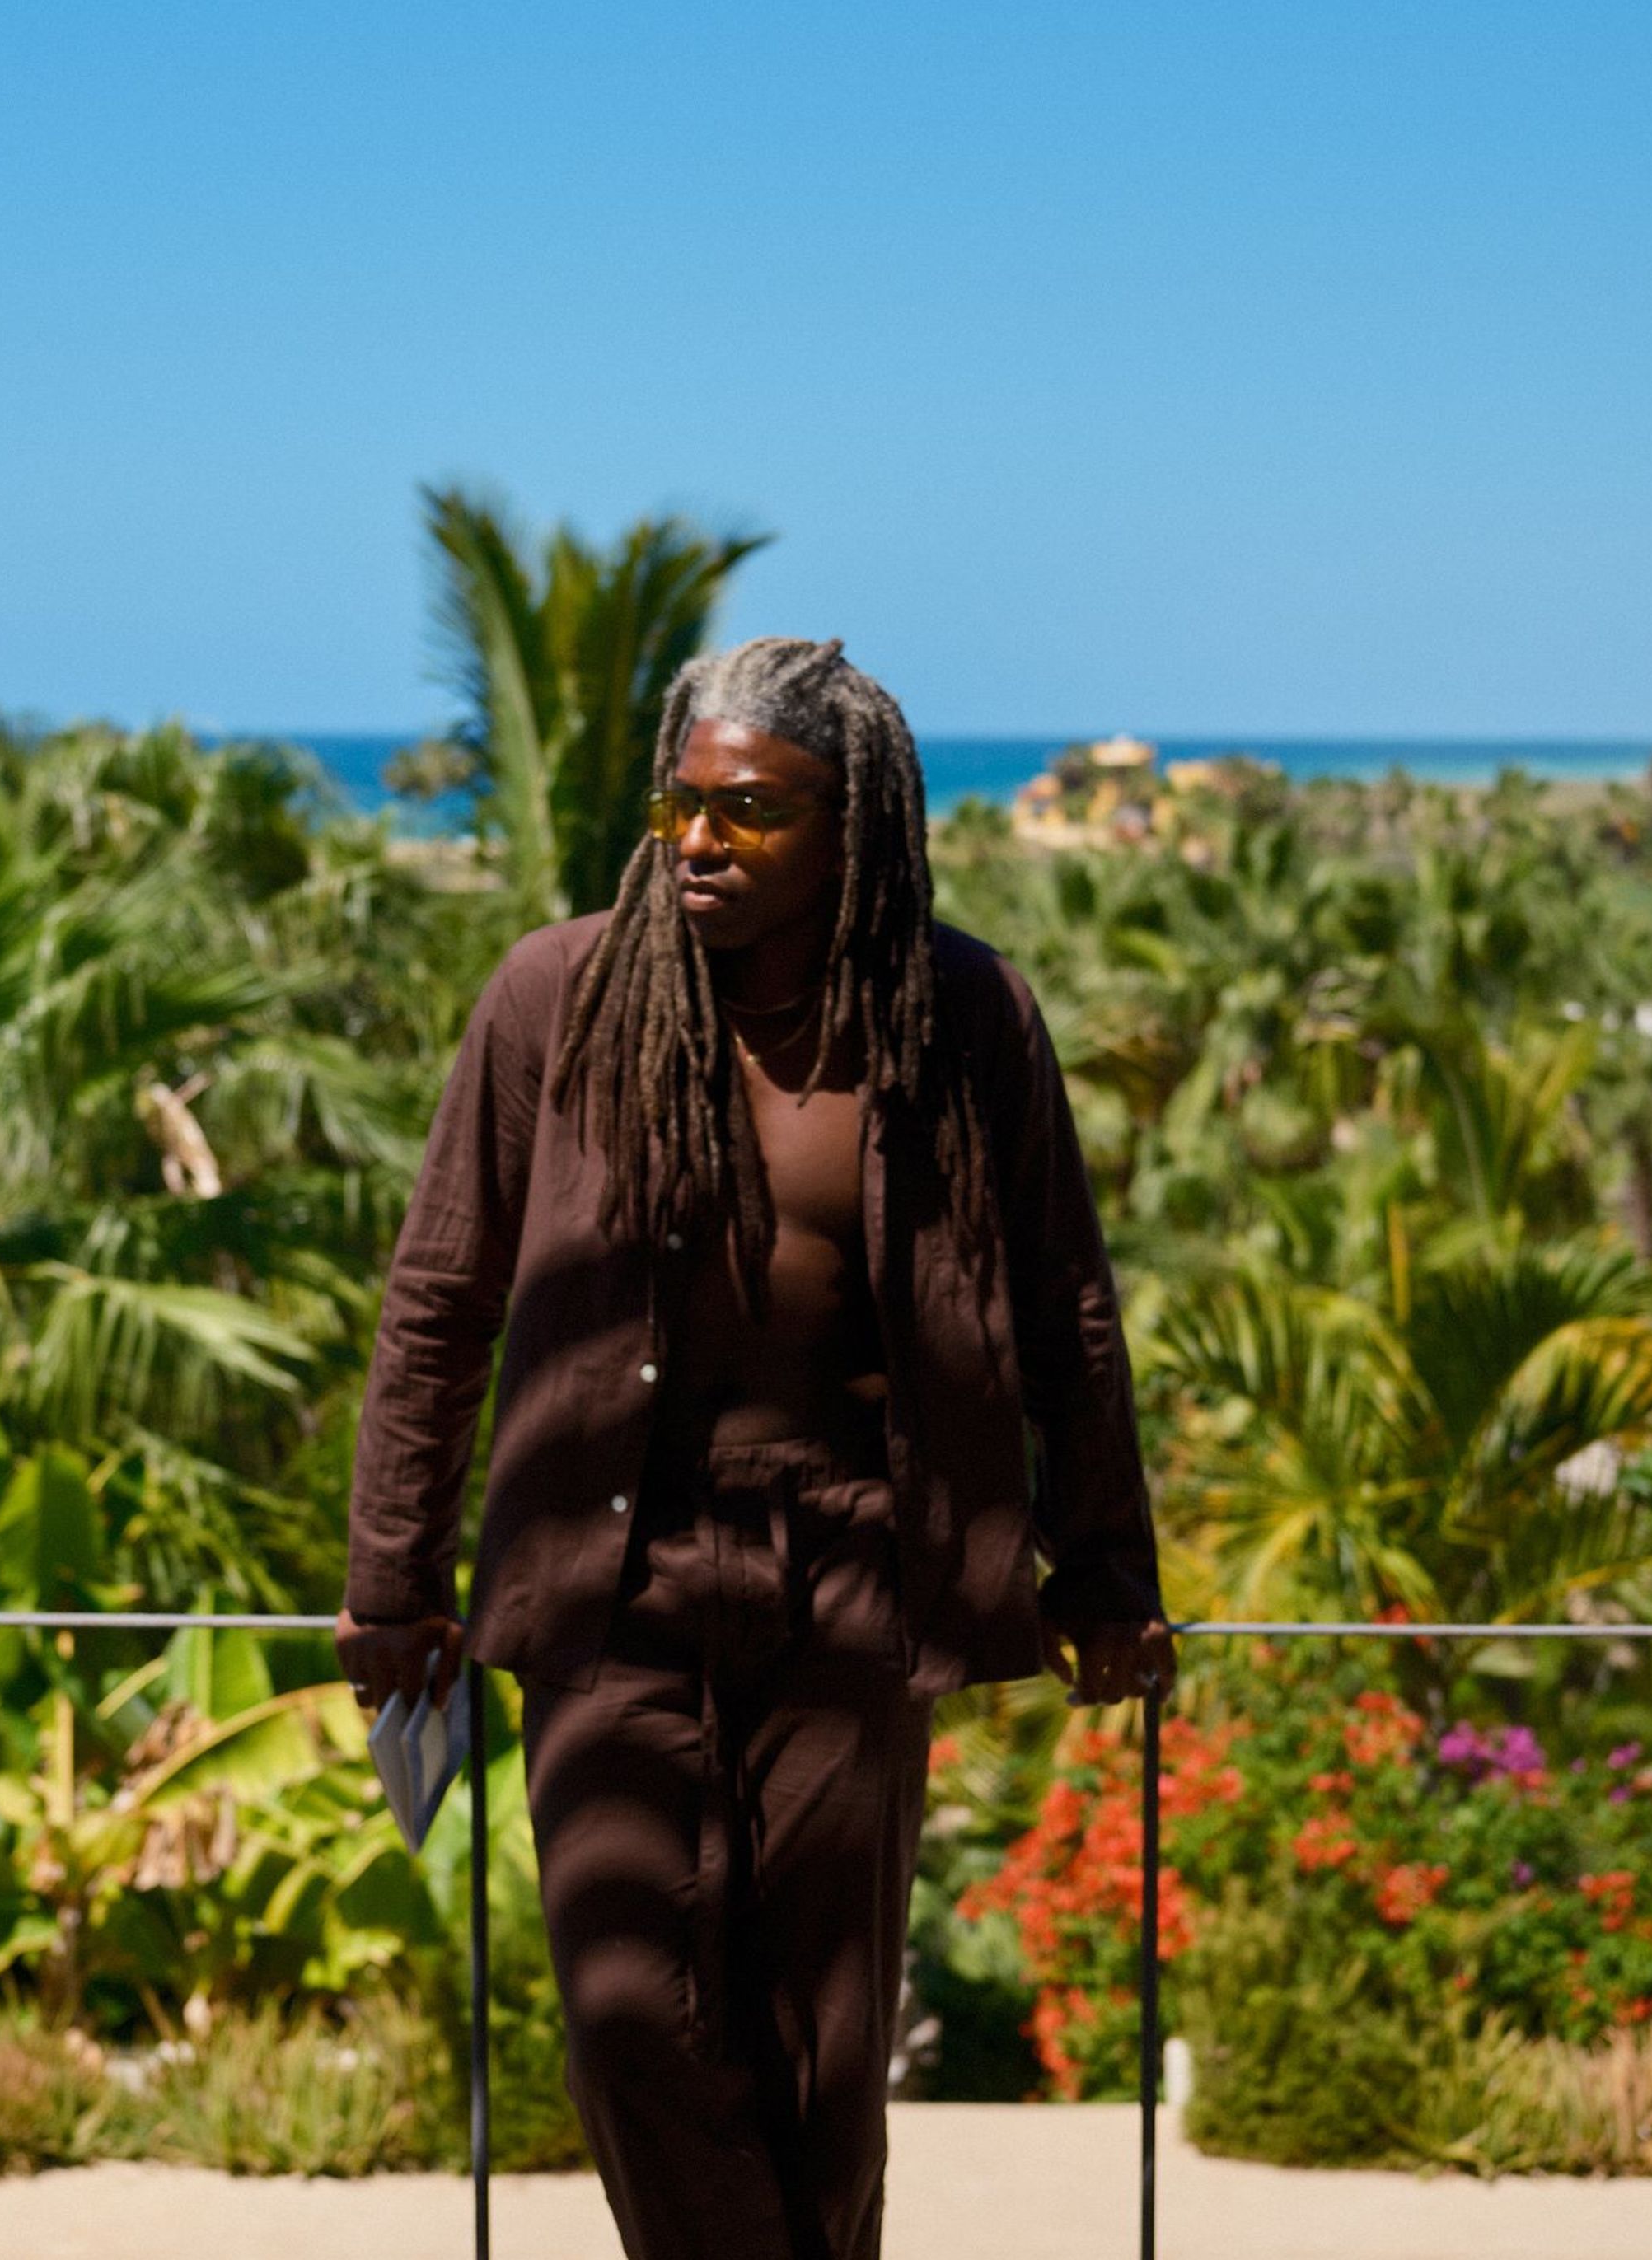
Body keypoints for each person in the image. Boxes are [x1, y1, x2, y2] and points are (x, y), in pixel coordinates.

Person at [339, 637, 1170, 2260]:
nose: (701, 840)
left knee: (825, 2057)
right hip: (608, 1582)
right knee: (629, 2017)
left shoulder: (964, 1014)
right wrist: (393, 1577)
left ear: (856, 831)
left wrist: (1112, 1565)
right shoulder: (554, 997)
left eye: (754, 812)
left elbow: (1066, 1302)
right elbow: (438, 1297)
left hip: (856, 1575)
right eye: (683, 802)